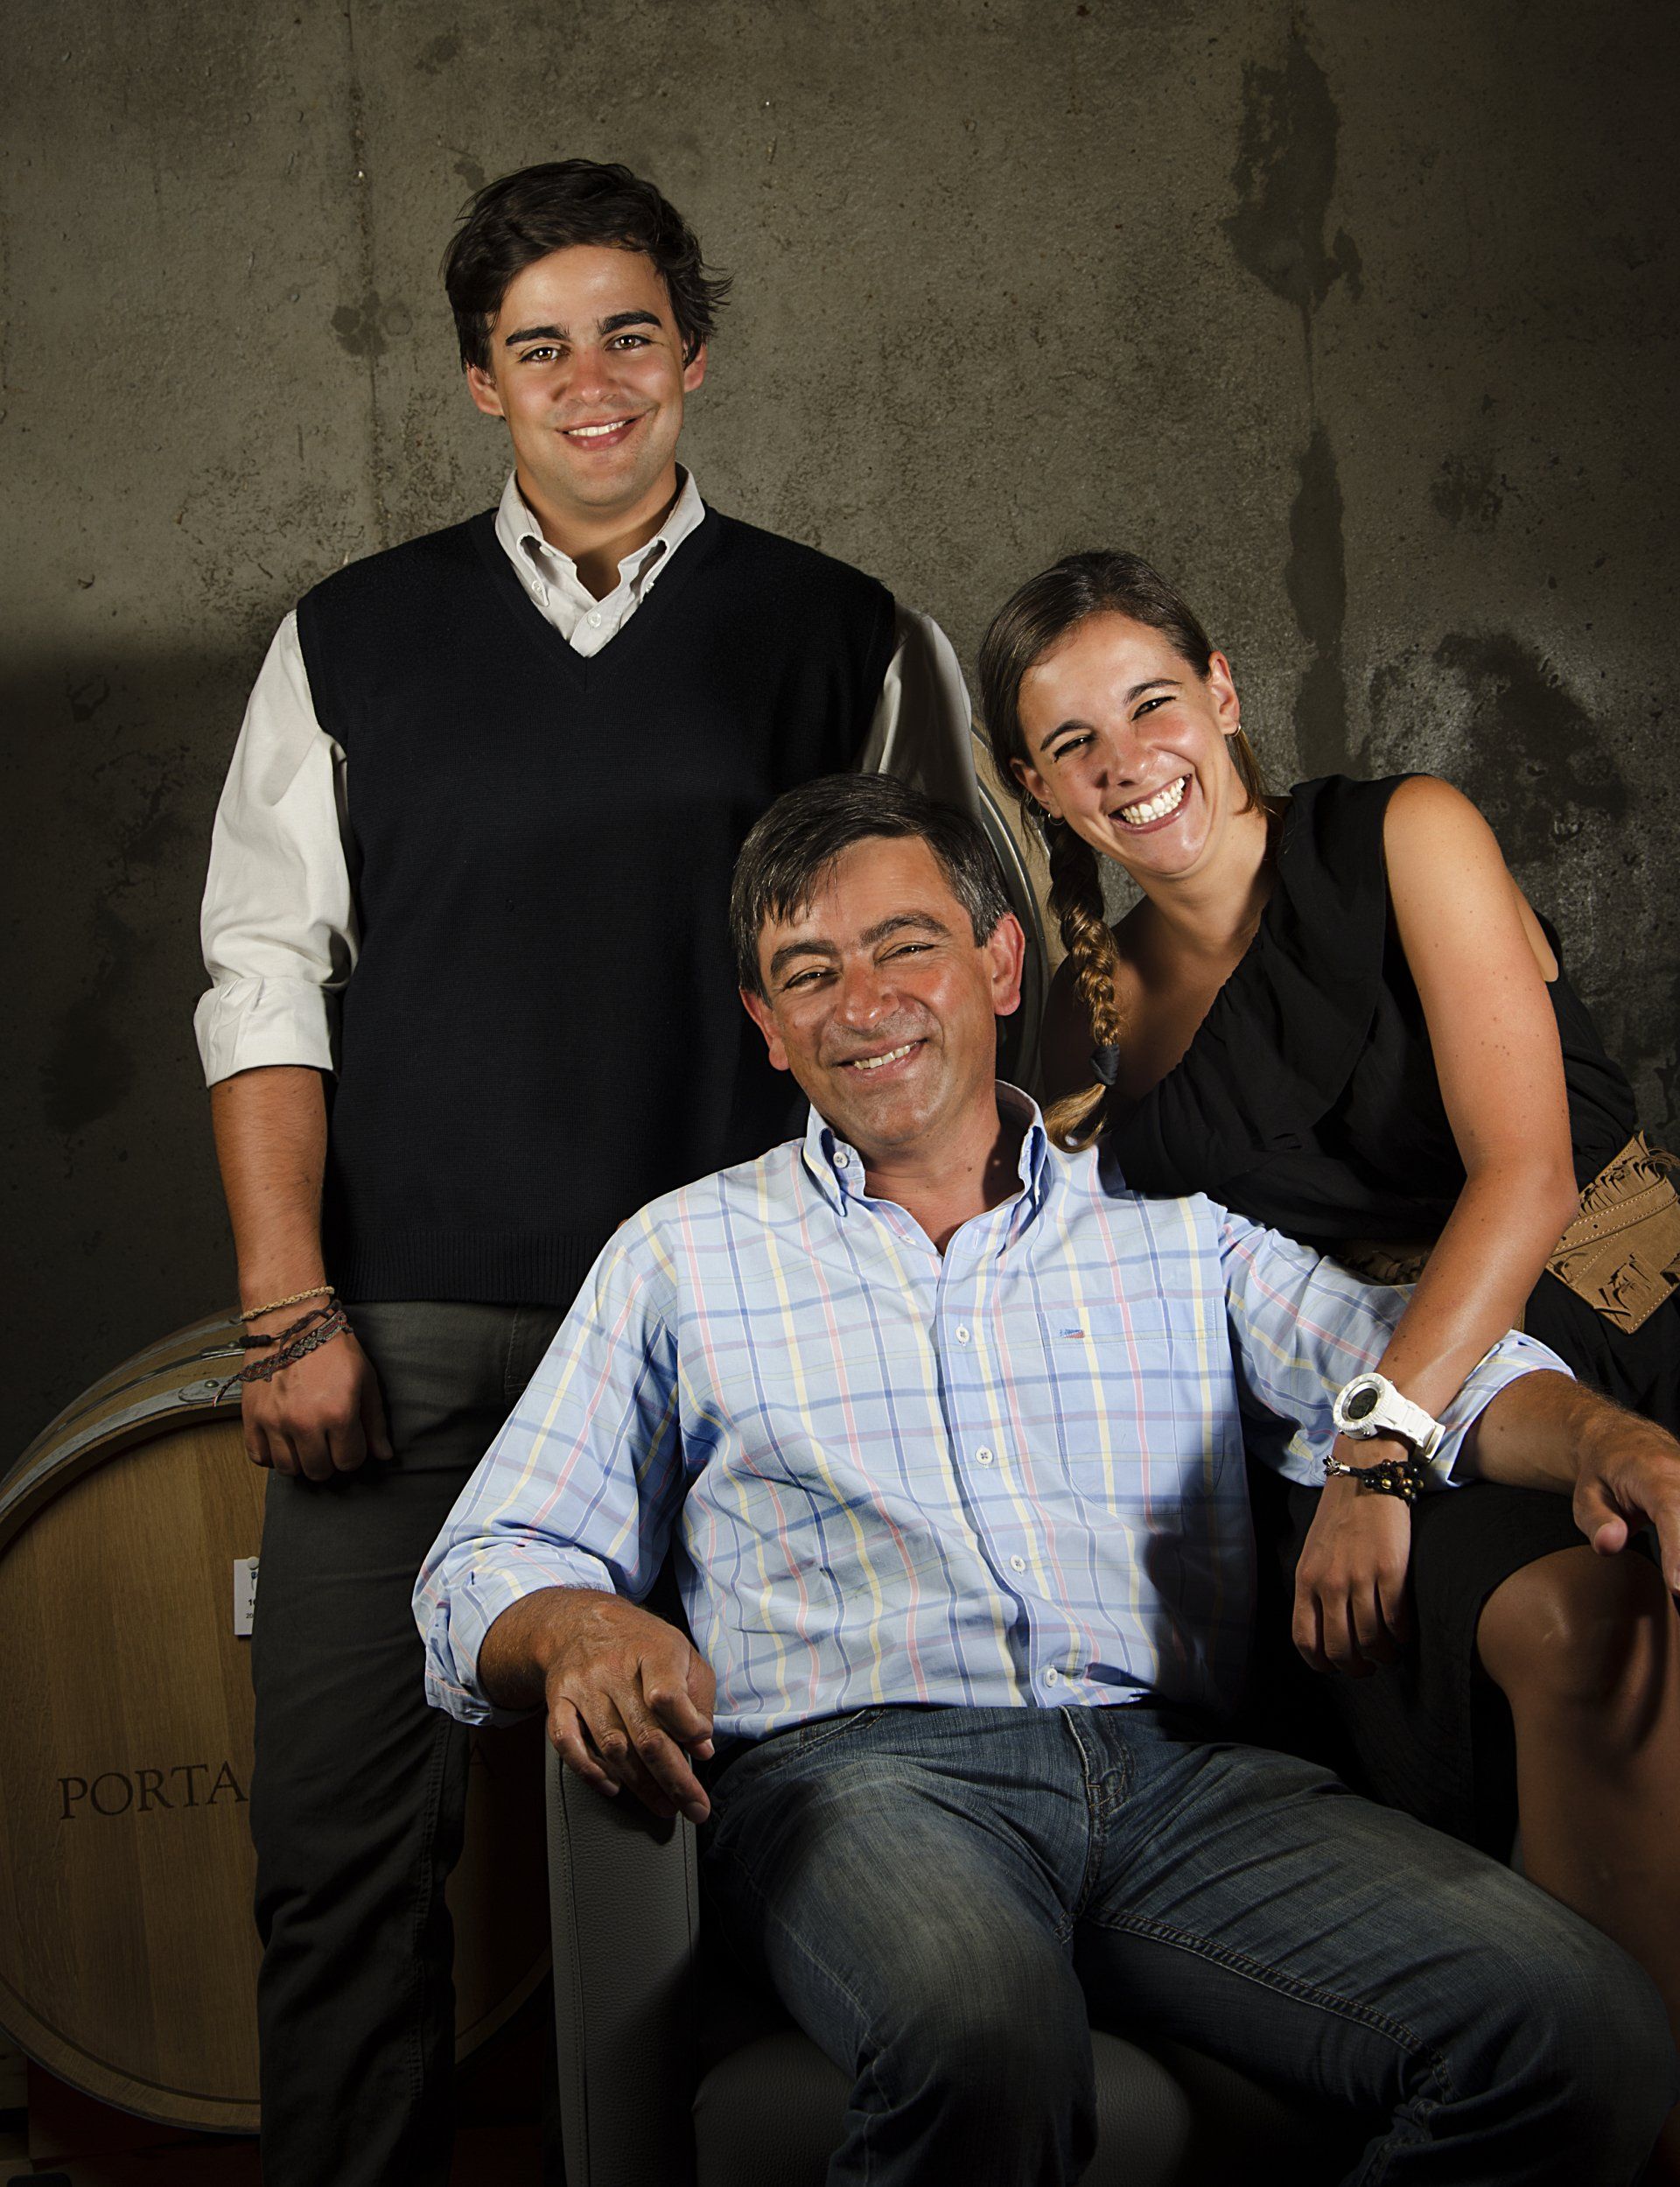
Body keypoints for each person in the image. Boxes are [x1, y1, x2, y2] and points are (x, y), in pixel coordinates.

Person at [416, 774, 1679, 2187]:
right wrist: (578, 1627)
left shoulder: (1175, 1228)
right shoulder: (678, 1258)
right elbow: (488, 1558)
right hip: (859, 1786)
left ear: (1000, 963)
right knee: (985, 2042)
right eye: (808, 973)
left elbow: (1404, 1372)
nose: (863, 1001)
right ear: (768, 1028)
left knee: (1581, 2033)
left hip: (1183, 1781)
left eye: (906, 945)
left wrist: (1611, 1442)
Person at [193, 160, 979, 2187]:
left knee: (768, 1824)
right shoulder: (351, 639)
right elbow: (263, 977)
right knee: (338, 1856)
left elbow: (938, 985)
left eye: (630, 331)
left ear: (692, 351)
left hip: (747, 1337)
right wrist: (289, 1304)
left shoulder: (841, 631)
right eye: (539, 344)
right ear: (479, 383)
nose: (591, 378)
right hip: (418, 1336)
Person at [978, 547, 1680, 2170]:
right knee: (1578, 1626)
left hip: (1604, 1309)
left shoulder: (1403, 832)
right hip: (1373, 1375)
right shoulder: (1088, 1008)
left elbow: (1530, 1174)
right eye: (1073, 742)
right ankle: (1585, 2102)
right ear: (1036, 784)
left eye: (1153, 703)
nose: (1126, 760)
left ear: (1222, 693)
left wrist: (1378, 1454)